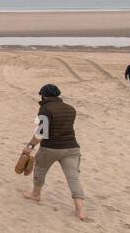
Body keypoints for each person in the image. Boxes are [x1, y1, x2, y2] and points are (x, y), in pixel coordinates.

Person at [22, 84, 86, 221]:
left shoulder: (45, 110)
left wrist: (29, 146)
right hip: (72, 147)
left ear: (44, 95)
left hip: (51, 147)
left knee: (40, 169)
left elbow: (41, 132)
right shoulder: (70, 109)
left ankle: (35, 194)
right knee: (73, 178)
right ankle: (79, 209)